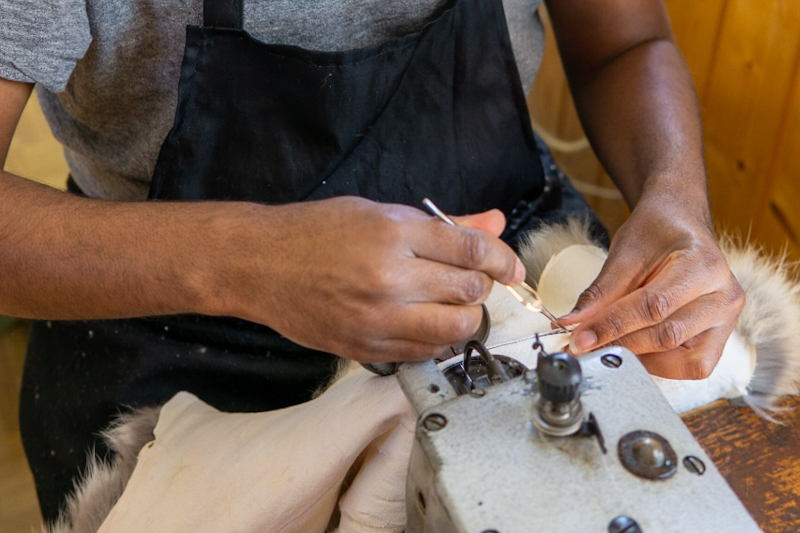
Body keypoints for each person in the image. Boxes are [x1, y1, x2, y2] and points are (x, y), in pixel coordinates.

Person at [0, 0, 744, 523]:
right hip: (181, 321)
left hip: (507, 260)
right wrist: (246, 259)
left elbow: (627, 42)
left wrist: (674, 196)